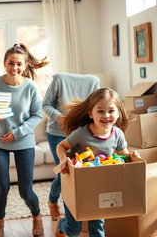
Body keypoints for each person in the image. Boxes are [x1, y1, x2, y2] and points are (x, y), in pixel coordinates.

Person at [55, 87, 140, 237]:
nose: (106, 115)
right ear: (90, 113)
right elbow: (61, 146)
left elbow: (125, 156)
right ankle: (62, 224)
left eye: (111, 111)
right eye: (100, 111)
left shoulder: (117, 135)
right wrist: (63, 158)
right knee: (74, 231)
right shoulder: (82, 133)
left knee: (98, 229)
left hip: (99, 187)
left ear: (119, 113)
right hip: (77, 186)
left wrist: (133, 155)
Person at [0, 43, 48, 237]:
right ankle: (0, 222)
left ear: (25, 64)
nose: (15, 68)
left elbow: (37, 115)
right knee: (2, 187)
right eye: (11, 63)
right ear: (4, 63)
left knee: (25, 192)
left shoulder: (30, 87)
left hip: (23, 142)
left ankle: (37, 216)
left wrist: (17, 133)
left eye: (19, 64)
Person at [42, 73, 100, 220]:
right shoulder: (58, 80)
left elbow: (96, 107)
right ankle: (52, 202)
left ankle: (78, 206)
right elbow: (45, 105)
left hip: (80, 134)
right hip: (57, 134)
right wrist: (58, 117)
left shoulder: (94, 82)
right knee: (64, 171)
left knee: (80, 172)